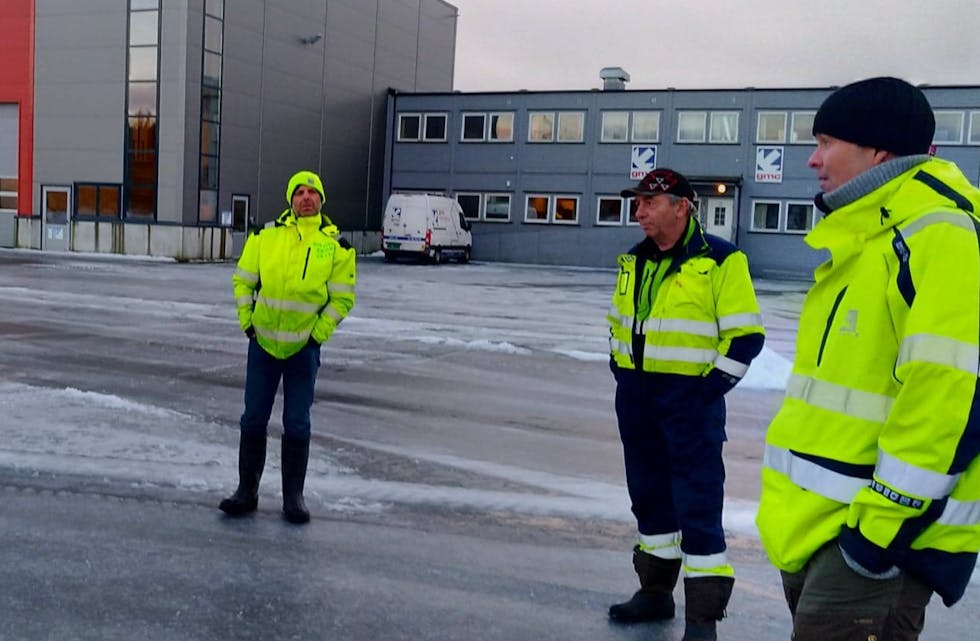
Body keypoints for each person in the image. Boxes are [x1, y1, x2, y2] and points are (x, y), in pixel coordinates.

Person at [756, 76, 980, 641]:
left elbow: (949, 399)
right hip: (823, 526)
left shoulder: (941, 234)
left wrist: (874, 537)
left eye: (827, 141)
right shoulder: (868, 237)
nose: (812, 159)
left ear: (878, 149)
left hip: (879, 537)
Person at [607, 168, 765, 641]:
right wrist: (622, 373)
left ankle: (702, 620)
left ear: (681, 206)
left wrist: (709, 390)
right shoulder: (634, 261)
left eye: (648, 203)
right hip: (636, 401)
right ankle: (655, 593)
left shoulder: (721, 260)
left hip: (689, 404)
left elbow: (745, 336)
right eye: (637, 203)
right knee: (649, 501)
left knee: (697, 507)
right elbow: (621, 324)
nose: (639, 211)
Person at [220, 170, 356, 524]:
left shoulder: (335, 245)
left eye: (312, 193)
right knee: (253, 419)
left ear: (321, 200)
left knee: (297, 423)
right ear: (290, 200)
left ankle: (293, 498)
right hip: (262, 344)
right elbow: (243, 279)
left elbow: (342, 299)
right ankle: (246, 491)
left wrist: (317, 336)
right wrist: (247, 321)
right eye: (299, 192)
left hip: (302, 349)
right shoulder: (265, 236)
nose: (306, 198)